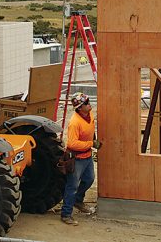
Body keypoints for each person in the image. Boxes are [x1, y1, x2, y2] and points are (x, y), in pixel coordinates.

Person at [61, 92, 101, 225]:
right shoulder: (74, 123)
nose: (89, 104)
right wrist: (91, 144)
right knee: (72, 186)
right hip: (76, 158)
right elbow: (71, 143)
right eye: (86, 103)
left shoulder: (89, 115)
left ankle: (78, 201)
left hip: (87, 156)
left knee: (89, 179)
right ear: (79, 108)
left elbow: (91, 129)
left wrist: (93, 141)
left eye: (88, 101)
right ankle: (66, 214)